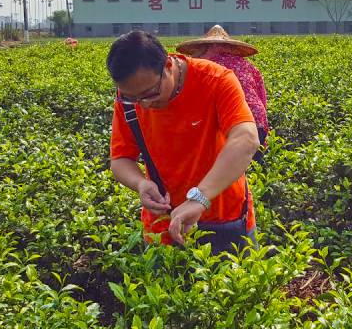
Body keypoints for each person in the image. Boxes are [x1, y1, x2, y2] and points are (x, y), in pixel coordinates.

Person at [107, 30, 260, 253]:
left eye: (150, 93)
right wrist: (140, 183)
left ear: (168, 65)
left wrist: (200, 198)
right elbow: (120, 159)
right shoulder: (129, 101)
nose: (144, 104)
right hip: (162, 224)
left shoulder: (216, 80)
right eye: (133, 98)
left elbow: (246, 139)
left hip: (223, 217)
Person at [177, 25, 269, 162]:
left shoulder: (203, 65)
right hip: (256, 118)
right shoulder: (246, 64)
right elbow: (261, 95)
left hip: (232, 120)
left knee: (230, 167)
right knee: (255, 165)